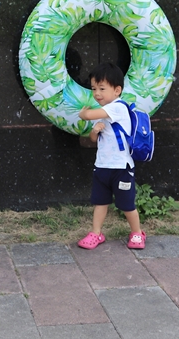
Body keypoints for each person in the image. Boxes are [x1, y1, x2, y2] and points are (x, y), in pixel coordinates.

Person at [76, 61, 146, 250]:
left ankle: (137, 233)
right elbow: (93, 139)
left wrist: (84, 114)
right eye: (93, 89)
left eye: (101, 88)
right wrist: (95, 131)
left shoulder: (117, 108)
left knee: (127, 204)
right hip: (102, 166)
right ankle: (96, 233)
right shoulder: (103, 113)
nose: (96, 93)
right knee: (100, 202)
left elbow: (87, 116)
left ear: (117, 90)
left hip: (121, 168)